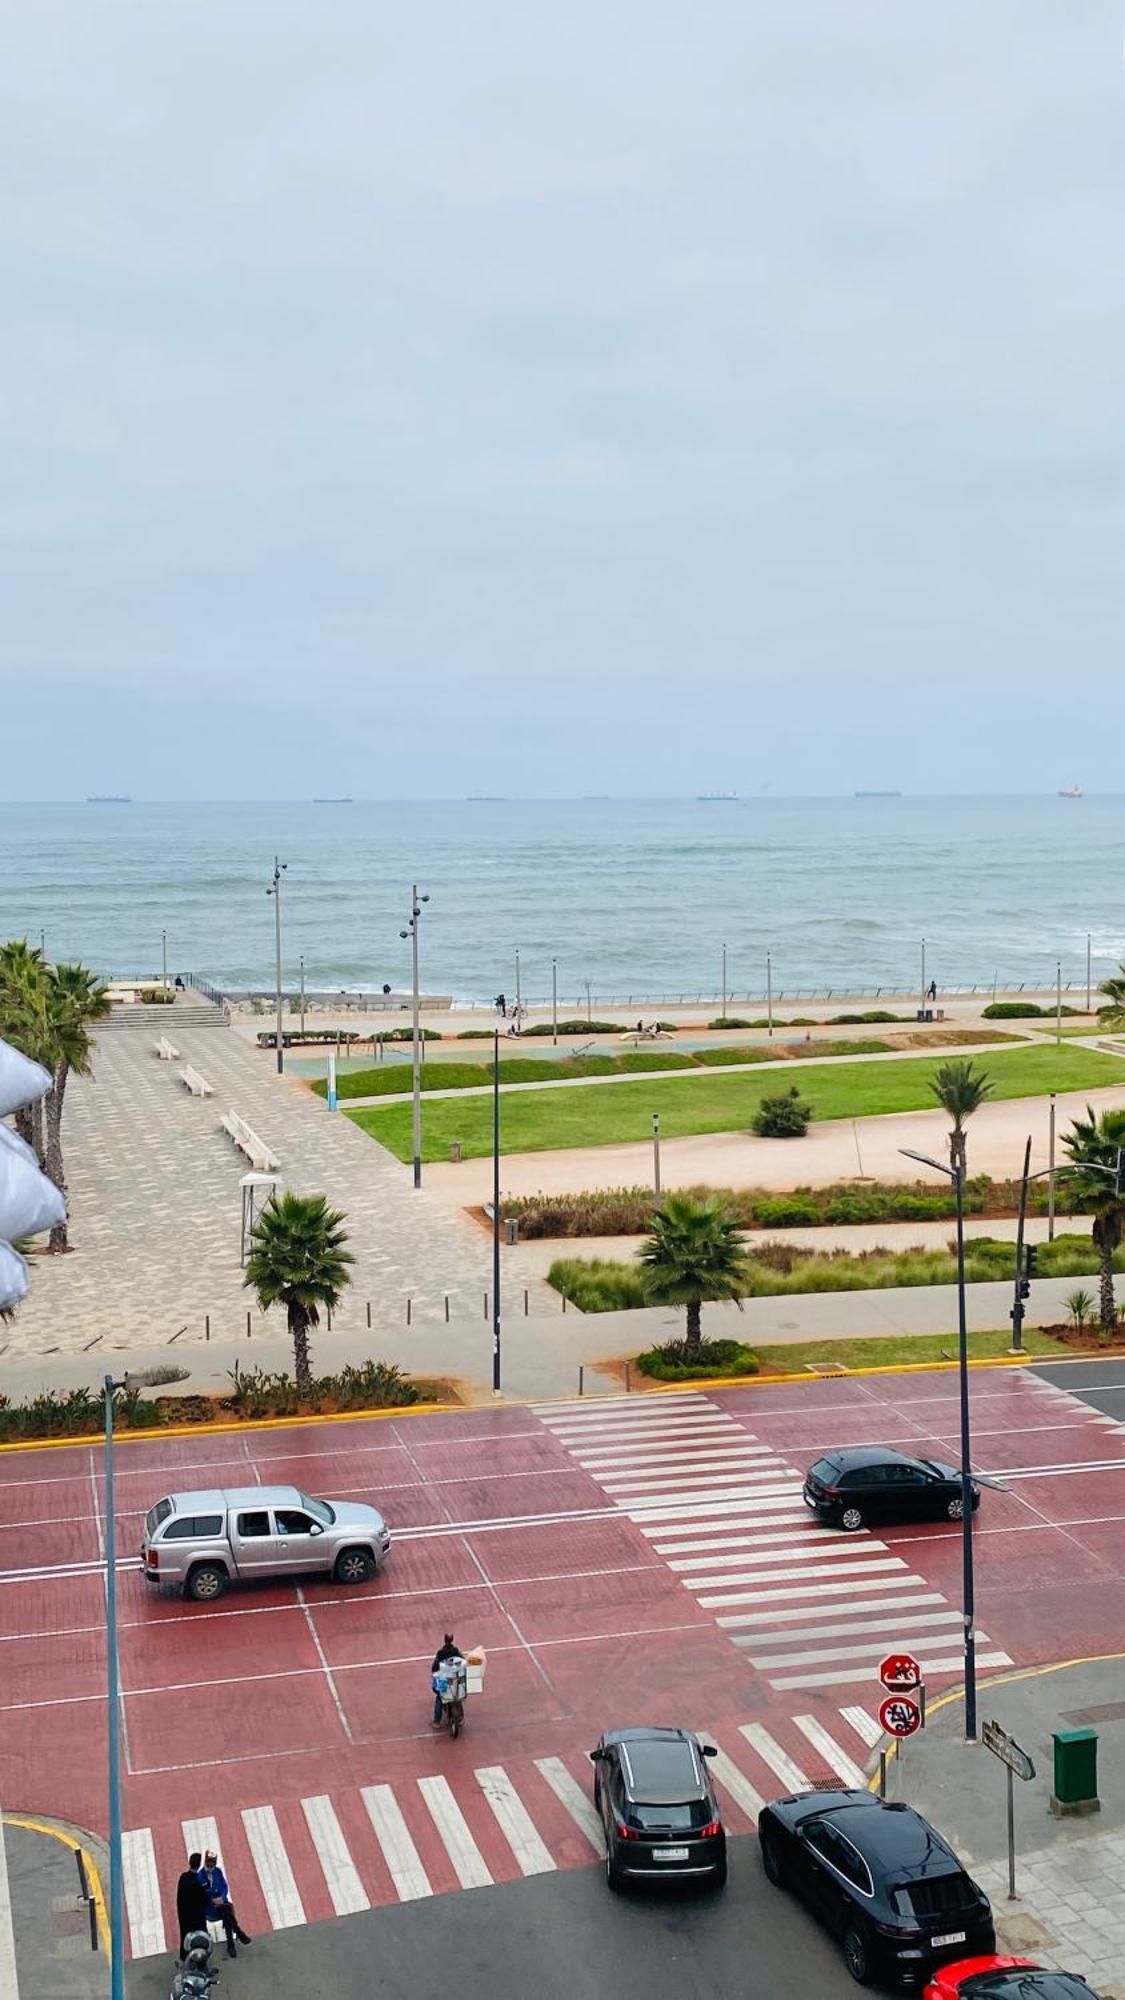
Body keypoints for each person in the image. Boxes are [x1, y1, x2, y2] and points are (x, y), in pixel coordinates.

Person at [197, 1849, 250, 1959]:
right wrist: (212, 1900)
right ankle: (238, 1933)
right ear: (206, 1861)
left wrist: (222, 1897)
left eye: (213, 1861)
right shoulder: (200, 1876)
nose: (211, 1864)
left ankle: (232, 1942)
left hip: (222, 1904)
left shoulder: (218, 1871)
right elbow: (201, 1895)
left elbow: (224, 1886)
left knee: (226, 1910)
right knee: (227, 1911)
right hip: (210, 1908)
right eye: (210, 1861)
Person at [176, 1852, 208, 1960]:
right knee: (200, 1937)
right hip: (196, 1916)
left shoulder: (183, 1877)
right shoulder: (198, 1881)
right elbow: (203, 1898)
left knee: (185, 1936)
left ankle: (184, 1956)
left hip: (184, 1914)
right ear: (199, 1865)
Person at [431, 1632, 462, 1725]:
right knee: (458, 1697)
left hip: (444, 1680)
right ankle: (461, 1718)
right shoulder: (456, 1651)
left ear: (444, 1640)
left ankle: (437, 1721)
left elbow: (435, 1666)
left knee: (439, 1698)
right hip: (454, 1680)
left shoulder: (440, 1653)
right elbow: (462, 1661)